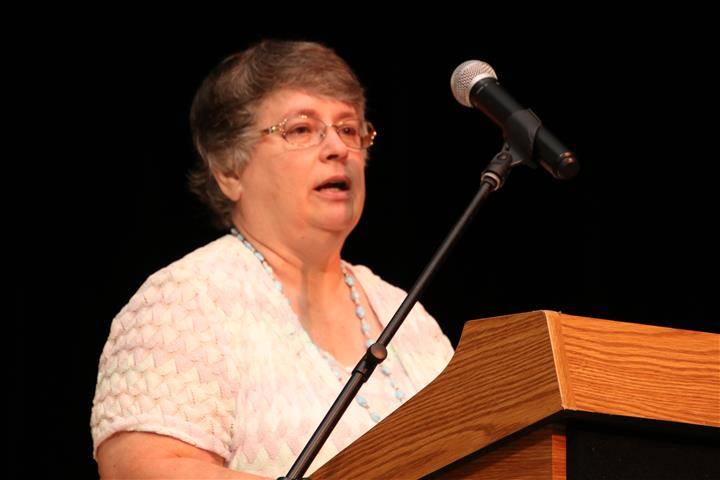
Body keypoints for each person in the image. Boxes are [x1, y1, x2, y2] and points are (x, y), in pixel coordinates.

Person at [90, 39, 454, 479]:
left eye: (349, 129)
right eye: (301, 129)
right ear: (229, 170)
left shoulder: (409, 317)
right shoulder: (185, 302)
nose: (338, 148)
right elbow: (143, 471)